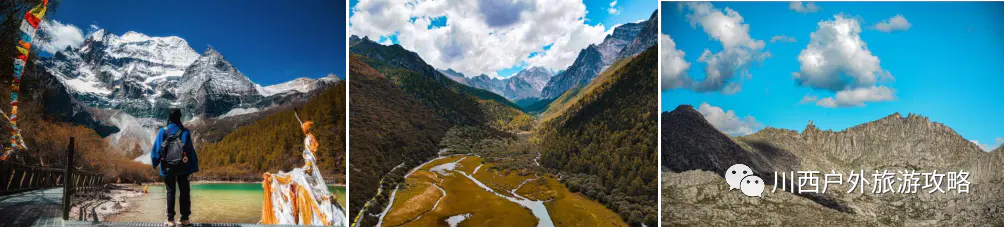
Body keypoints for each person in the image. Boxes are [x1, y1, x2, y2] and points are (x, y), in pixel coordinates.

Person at [151, 108, 198, 227]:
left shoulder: (163, 131)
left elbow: (156, 150)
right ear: (180, 117)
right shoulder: (185, 132)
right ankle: (185, 219)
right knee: (185, 192)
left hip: (167, 167)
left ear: (169, 117)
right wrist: (194, 167)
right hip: (184, 167)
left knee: (170, 191)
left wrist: (154, 163)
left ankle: (170, 220)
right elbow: (190, 152)